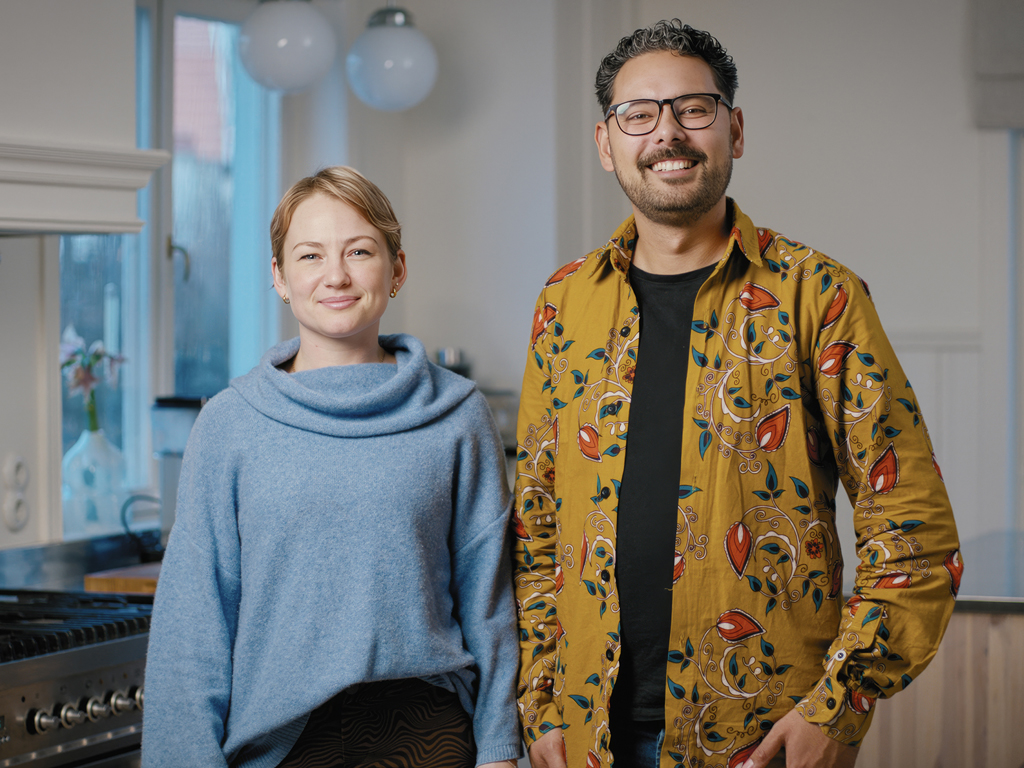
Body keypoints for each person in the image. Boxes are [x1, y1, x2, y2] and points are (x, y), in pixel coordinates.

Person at [512, 20, 961, 768]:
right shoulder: (564, 302)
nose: (668, 134)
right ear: (606, 143)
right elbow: (536, 525)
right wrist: (543, 700)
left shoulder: (817, 295)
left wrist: (840, 706)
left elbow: (911, 530)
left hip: (765, 735)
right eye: (640, 115)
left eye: (694, 108)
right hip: (590, 735)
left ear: (734, 129)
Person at [143, 166, 522, 768]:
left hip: (430, 735)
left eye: (360, 251)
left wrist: (501, 747)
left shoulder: (457, 415)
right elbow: (192, 625)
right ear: (280, 278)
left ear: (397, 269)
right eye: (311, 255)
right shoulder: (229, 423)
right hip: (279, 746)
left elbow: (492, 600)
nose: (336, 275)